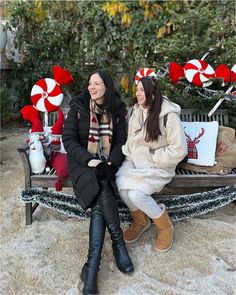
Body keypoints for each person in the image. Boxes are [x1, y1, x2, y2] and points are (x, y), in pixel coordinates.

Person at [62, 69, 134, 294]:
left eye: (97, 84)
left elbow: (121, 140)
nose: (91, 87)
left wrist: (111, 163)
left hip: (108, 162)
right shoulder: (78, 106)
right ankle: (118, 242)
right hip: (82, 162)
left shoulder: (118, 109)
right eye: (90, 83)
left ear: (107, 87)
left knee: (102, 181)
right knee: (101, 182)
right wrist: (89, 161)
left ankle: (92, 268)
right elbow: (69, 141)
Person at [116, 68, 187, 253]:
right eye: (136, 89)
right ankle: (141, 221)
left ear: (152, 91)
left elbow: (179, 150)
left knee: (136, 195)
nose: (137, 93)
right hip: (135, 162)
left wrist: (153, 157)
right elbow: (131, 142)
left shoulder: (168, 115)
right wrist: (129, 158)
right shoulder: (135, 112)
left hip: (159, 165)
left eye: (141, 89)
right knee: (122, 190)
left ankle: (165, 227)